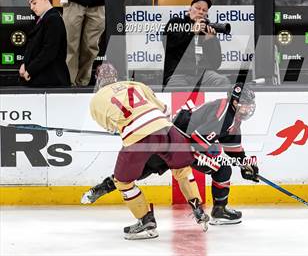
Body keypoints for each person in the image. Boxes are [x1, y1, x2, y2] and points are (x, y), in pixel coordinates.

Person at [83, 82, 260, 225]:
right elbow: (198, 142)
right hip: (182, 141)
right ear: (234, 101)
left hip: (170, 138)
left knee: (140, 170)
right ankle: (219, 211)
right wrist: (225, 159)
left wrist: (245, 163)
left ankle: (105, 186)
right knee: (222, 169)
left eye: (249, 105)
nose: (247, 109)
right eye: (244, 105)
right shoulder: (223, 114)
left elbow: (232, 145)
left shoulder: (231, 115)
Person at [89, 63, 209, 240]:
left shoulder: (96, 100)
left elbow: (112, 128)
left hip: (137, 137)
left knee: (123, 182)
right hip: (165, 127)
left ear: (98, 80)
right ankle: (197, 208)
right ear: (116, 76)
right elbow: (165, 111)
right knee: (182, 169)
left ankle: (146, 221)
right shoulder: (135, 85)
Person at [162, 0, 231, 88]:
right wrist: (192, 32)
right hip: (178, 74)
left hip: (203, 74)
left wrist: (210, 41)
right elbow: (168, 44)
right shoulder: (176, 23)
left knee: (221, 81)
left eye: (204, 10)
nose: (201, 11)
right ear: (189, 10)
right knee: (178, 87)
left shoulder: (206, 30)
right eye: (198, 8)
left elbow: (216, 63)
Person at [64, 0, 108, 86]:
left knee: (90, 47)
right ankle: (69, 83)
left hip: (98, 3)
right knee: (70, 45)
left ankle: (82, 82)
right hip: (75, 1)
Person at [19, 0, 70, 87]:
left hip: (51, 80)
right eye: (30, 4)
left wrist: (30, 70)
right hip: (44, 78)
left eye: (34, 3)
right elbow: (34, 47)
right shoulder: (45, 19)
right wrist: (25, 64)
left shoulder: (53, 19)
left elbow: (49, 51)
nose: (31, 8)